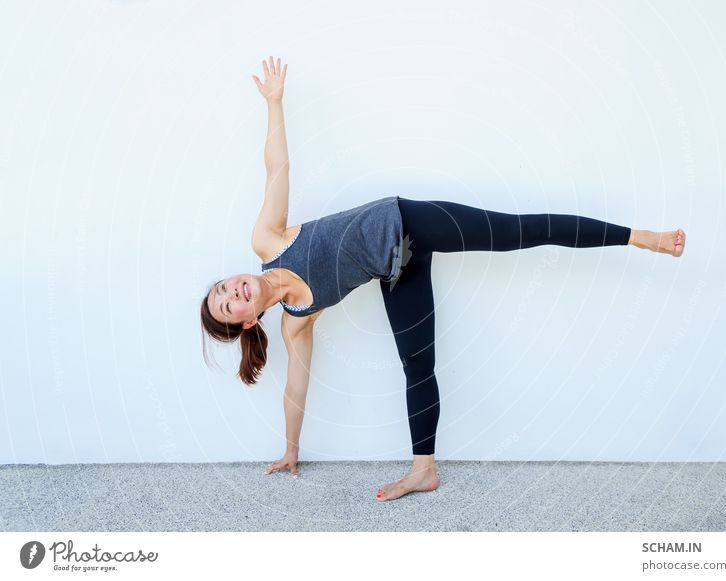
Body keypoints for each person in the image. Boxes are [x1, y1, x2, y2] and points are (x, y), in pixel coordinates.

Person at [199, 56, 687, 502]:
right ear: (246, 322)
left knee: (524, 230)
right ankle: (423, 470)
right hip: (396, 272)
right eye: (228, 305)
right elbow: (296, 390)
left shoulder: (268, 239)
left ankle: (641, 237)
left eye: (224, 287)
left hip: (408, 222)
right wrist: (290, 449)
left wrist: (275, 102)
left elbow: (276, 169)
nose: (232, 292)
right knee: (417, 367)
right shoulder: (296, 320)